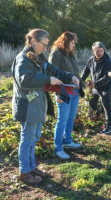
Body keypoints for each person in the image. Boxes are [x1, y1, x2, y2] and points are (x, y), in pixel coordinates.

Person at [11, 28, 80, 184]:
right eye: (44, 44)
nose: (45, 48)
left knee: (34, 137)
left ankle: (32, 166)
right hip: (27, 106)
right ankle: (24, 171)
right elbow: (25, 80)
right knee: (27, 138)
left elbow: (53, 69)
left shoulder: (39, 57)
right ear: (34, 41)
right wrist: (48, 79)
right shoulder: (23, 59)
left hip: (37, 104)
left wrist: (70, 76)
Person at [48, 31, 85, 159]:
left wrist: (81, 85)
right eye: (72, 42)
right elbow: (52, 73)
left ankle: (67, 141)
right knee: (62, 119)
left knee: (71, 117)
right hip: (63, 91)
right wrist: (58, 93)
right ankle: (58, 147)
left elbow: (75, 72)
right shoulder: (56, 54)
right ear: (65, 42)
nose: (74, 45)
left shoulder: (70, 54)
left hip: (74, 90)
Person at [81, 41, 111, 134]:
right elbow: (85, 71)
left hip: (106, 85)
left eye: (100, 50)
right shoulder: (91, 60)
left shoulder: (108, 62)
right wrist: (80, 81)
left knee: (106, 103)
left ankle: (110, 125)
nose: (98, 52)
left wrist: (94, 84)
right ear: (93, 51)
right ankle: (98, 115)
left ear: (103, 50)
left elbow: (107, 77)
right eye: (96, 50)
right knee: (92, 101)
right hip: (95, 85)